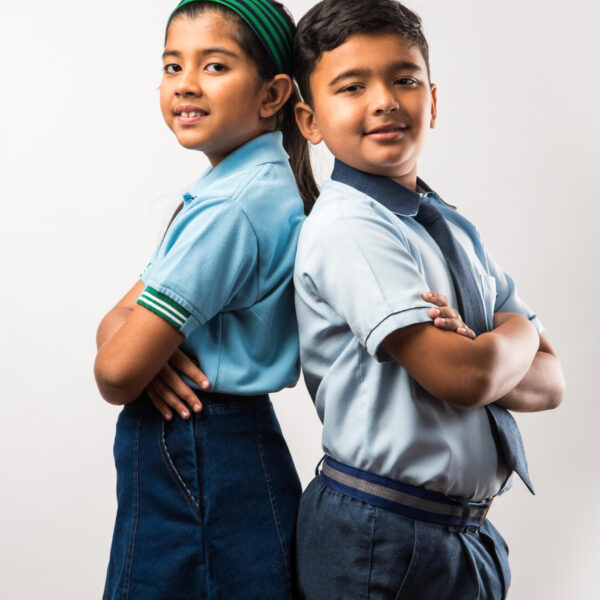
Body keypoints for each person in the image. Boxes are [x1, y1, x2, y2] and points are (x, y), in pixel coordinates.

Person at [291, 1, 565, 598]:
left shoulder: (449, 227)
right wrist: (511, 334)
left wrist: (490, 345)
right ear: (310, 120)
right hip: (381, 535)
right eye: (352, 86)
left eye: (404, 79)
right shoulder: (350, 228)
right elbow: (464, 378)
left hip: (460, 534)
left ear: (433, 102)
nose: (385, 99)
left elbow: (552, 381)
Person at [94, 1, 317, 598]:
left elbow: (115, 369)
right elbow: (114, 323)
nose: (185, 84)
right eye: (172, 66)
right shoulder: (242, 189)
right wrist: (148, 354)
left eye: (214, 65)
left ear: (273, 95)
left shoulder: (230, 209)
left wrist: (141, 357)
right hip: (215, 445)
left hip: (199, 446)